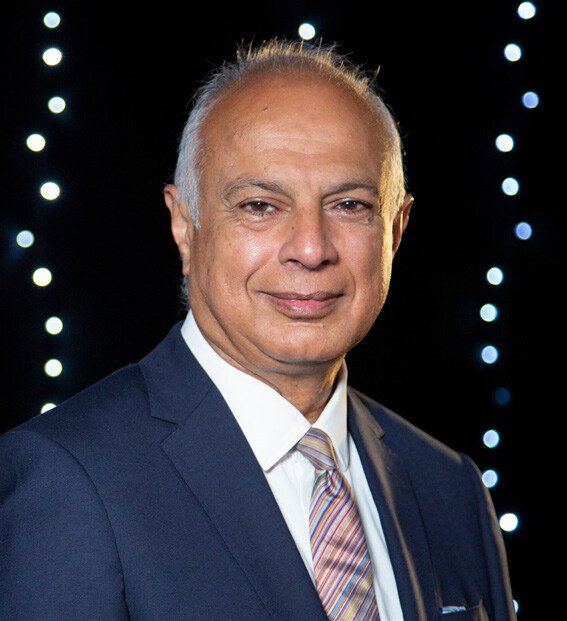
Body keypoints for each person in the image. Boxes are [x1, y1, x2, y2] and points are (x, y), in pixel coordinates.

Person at [0, 39, 516, 620]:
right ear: (184, 224)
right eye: (260, 206)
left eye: (349, 205)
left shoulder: (450, 488)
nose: (311, 248)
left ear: (395, 229)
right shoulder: (71, 480)